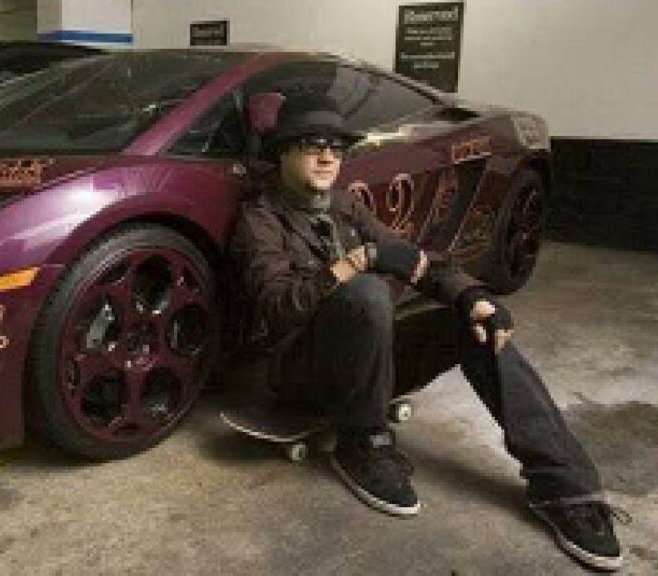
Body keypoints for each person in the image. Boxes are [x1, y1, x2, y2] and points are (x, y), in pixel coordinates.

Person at [228, 90, 623, 571]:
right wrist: (356, 263)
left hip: (369, 362)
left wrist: (472, 295)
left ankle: (566, 487)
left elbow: (418, 260)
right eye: (313, 143)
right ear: (283, 152)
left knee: (474, 325)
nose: (329, 155)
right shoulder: (259, 219)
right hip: (302, 375)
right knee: (369, 291)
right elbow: (277, 308)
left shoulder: (346, 207)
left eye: (336, 144)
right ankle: (362, 444)